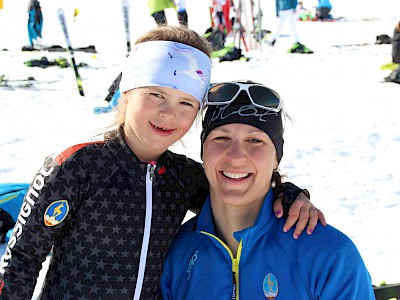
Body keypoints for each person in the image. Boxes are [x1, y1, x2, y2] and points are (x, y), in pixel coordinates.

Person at [0, 26, 322, 299]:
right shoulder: (77, 167)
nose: (169, 113)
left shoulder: (183, 177)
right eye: (156, 95)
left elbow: (240, 195)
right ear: (128, 90)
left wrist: (289, 194)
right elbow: (21, 260)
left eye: (186, 102)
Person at [160, 80, 375, 299]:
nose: (235, 156)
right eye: (221, 138)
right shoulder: (178, 252)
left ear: (276, 158)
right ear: (203, 153)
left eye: (255, 140)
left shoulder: (330, 255)